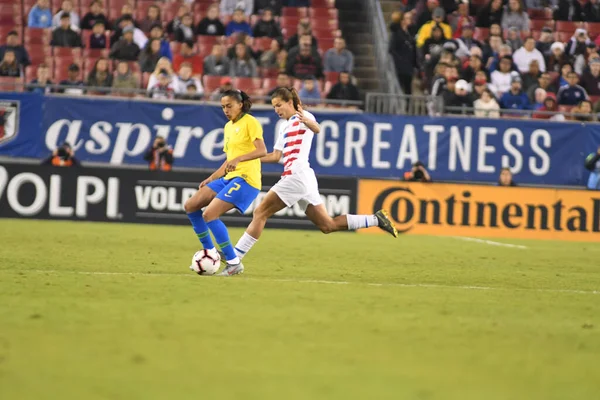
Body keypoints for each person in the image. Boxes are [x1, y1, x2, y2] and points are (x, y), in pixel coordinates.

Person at [222, 88, 398, 276]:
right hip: (303, 177)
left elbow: (317, 128)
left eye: (279, 105)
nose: (276, 110)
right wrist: (242, 158)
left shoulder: (303, 115)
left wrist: (308, 121)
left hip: (296, 176)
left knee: (260, 212)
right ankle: (376, 219)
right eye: (274, 107)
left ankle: (235, 259)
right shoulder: (284, 126)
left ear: (290, 102)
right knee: (327, 225)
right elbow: (275, 156)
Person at [183, 90, 267, 275]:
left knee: (209, 214)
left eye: (229, 106)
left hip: (246, 180)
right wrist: (212, 178)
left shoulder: (250, 122)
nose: (225, 110)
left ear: (240, 105)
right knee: (191, 205)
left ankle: (234, 262)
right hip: (229, 178)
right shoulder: (229, 126)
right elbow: (229, 160)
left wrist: (239, 159)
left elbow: (262, 150)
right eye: (223, 107)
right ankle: (211, 253)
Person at [389, 10, 417, 95]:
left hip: (409, 66)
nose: (410, 20)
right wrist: (400, 60)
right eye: (407, 18)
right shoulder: (396, 34)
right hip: (400, 67)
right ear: (402, 21)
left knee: (408, 89)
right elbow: (391, 49)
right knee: (400, 88)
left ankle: (407, 107)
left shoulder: (410, 33)